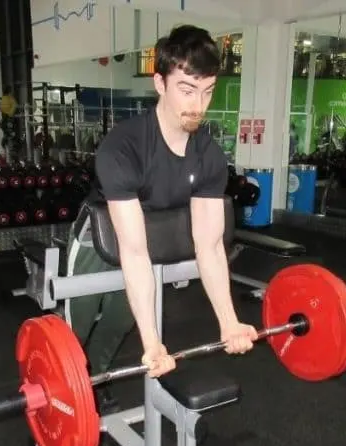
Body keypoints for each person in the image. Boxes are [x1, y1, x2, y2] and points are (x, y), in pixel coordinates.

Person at [67, 25, 257, 414]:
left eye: (207, 92)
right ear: (160, 82)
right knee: (76, 327)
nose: (198, 105)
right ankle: (65, 389)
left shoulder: (209, 156)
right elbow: (132, 251)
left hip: (146, 235)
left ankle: (96, 378)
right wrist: (153, 344)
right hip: (99, 237)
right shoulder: (124, 146)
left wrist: (229, 322)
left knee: (121, 321)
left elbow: (209, 245)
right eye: (187, 89)